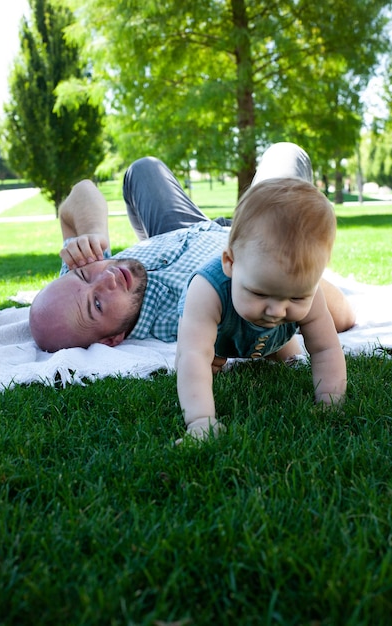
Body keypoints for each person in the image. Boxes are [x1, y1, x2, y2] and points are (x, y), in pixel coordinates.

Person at [29, 142, 355, 356]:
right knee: (286, 154)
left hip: (178, 230)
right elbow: (335, 314)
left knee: (142, 168)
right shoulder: (183, 318)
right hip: (255, 239)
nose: (107, 278)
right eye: (97, 304)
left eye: (86, 275)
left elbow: (81, 194)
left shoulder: (76, 283)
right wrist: (292, 273)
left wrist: (91, 234)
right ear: (110, 341)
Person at [175, 144, 354, 441]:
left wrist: (330, 404)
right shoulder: (206, 290)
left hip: (273, 339)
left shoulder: (306, 295)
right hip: (220, 335)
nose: (276, 310)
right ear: (230, 262)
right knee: (201, 363)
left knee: (286, 356)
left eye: (296, 297)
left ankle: (266, 344)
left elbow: (325, 349)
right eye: (260, 293)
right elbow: (193, 356)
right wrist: (200, 421)